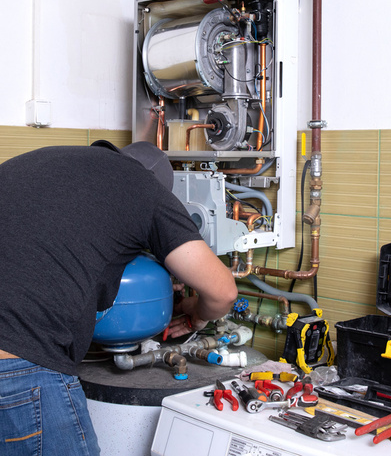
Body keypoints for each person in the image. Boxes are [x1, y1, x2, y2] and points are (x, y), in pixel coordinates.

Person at [0, 140, 238, 455]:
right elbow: (223, 291)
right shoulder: (145, 189)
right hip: (19, 365)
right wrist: (197, 314)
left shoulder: (49, 160)